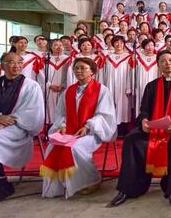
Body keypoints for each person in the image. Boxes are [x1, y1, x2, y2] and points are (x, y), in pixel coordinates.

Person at [108, 50, 171, 207]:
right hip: (153, 128)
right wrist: (144, 121)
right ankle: (129, 189)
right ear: (158, 65)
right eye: (163, 61)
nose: (167, 63)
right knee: (131, 139)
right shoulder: (152, 86)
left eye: (170, 60)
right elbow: (144, 109)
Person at [0, 52, 44, 206]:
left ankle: (3, 184)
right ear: (2, 65)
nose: (17, 66)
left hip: (19, 128)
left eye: (20, 62)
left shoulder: (31, 86)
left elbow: (32, 113)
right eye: (11, 62)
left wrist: (2, 123)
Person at [41, 58, 117, 198]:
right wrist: (62, 125)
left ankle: (90, 180)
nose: (79, 71)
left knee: (74, 147)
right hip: (69, 131)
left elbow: (105, 114)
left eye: (83, 68)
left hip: (92, 132)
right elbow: (61, 113)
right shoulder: (69, 91)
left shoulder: (101, 90)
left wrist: (88, 126)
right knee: (53, 146)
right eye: (76, 68)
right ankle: (60, 183)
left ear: (92, 71)